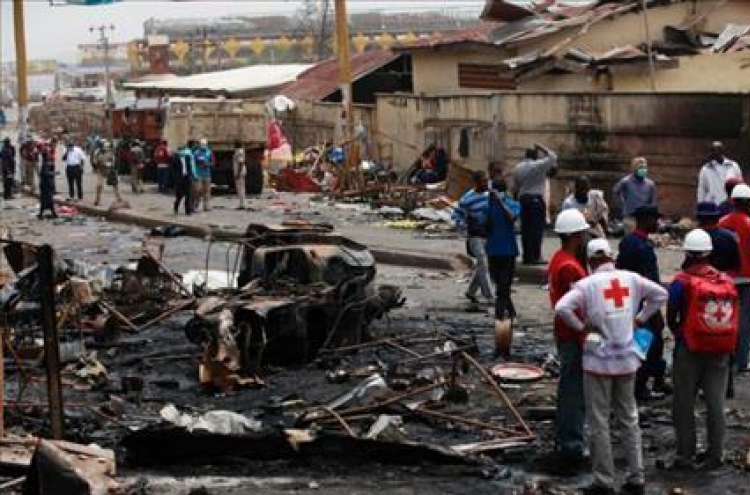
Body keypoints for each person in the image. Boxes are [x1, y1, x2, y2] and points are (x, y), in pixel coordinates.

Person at [555, 238, 667, 495]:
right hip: (627, 361)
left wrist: (580, 327)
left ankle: (604, 480)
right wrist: (640, 318)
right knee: (629, 418)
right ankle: (636, 477)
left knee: (599, 421)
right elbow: (661, 294)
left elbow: (562, 308)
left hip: (598, 362)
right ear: (610, 256)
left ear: (592, 260)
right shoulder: (632, 279)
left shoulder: (586, 284)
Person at [667, 229, 738, 471]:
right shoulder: (726, 281)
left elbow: (671, 315)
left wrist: (680, 334)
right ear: (709, 252)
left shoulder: (681, 282)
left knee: (684, 403)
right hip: (721, 349)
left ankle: (685, 455)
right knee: (715, 403)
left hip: (689, 349)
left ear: (687, 252)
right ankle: (715, 454)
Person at [544, 208, 590, 474]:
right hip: (572, 334)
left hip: (564, 331)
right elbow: (577, 306)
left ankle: (566, 438)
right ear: (576, 236)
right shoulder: (571, 267)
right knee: (573, 390)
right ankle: (571, 443)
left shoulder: (558, 259)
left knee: (569, 387)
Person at [616, 206, 669, 400]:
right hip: (644, 302)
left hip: (629, 300)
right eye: (655, 219)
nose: (657, 223)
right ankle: (642, 386)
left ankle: (643, 382)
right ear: (646, 220)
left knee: (638, 342)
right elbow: (650, 281)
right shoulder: (643, 246)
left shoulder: (627, 242)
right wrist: (654, 311)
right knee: (648, 342)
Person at [485, 177, 521, 358]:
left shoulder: (512, 204)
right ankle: (511, 313)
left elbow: (512, 217)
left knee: (501, 294)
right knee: (501, 289)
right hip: (493, 252)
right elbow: (483, 224)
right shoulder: (488, 205)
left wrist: (499, 202)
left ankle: (500, 334)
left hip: (508, 252)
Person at [718, 183, 750, 374]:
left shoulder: (722, 222)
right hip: (747, 278)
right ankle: (741, 361)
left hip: (726, 279)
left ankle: (724, 356)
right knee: (744, 321)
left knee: (724, 317)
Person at [513, 143, 557, 265]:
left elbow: (516, 186)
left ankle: (527, 256)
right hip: (536, 200)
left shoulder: (517, 168)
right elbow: (553, 156)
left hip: (523, 199)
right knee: (536, 229)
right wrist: (542, 147)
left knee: (526, 229)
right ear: (536, 156)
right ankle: (536, 256)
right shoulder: (539, 165)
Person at [453, 170, 492, 305]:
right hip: (475, 235)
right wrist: (465, 223)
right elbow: (457, 215)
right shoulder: (467, 198)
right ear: (476, 183)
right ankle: (489, 296)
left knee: (482, 264)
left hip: (489, 233)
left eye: (486, 180)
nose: (486, 183)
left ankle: (471, 291)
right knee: (482, 260)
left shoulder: (491, 194)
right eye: (483, 181)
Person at [613, 157, 657, 235]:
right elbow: (616, 192)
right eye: (640, 167)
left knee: (642, 242)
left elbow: (652, 202)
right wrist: (622, 205)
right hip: (630, 217)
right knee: (631, 241)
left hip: (644, 218)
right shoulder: (626, 181)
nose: (643, 169)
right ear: (634, 169)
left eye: (644, 167)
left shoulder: (650, 184)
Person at [93, 139, 123, 207]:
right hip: (100, 170)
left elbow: (114, 161)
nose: (106, 147)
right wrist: (101, 164)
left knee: (115, 184)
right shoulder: (97, 152)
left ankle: (119, 198)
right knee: (99, 185)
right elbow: (95, 162)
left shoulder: (110, 152)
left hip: (110, 169)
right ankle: (97, 200)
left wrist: (111, 165)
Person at [172, 143, 195, 216]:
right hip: (179, 179)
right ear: (178, 151)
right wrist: (176, 179)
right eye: (181, 150)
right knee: (179, 196)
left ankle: (187, 211)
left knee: (188, 195)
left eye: (183, 150)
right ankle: (176, 207)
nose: (182, 152)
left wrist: (191, 175)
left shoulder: (187, 157)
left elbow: (190, 167)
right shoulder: (175, 158)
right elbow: (173, 170)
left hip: (187, 178)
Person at [37, 143, 58, 220]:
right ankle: (46, 213)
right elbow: (45, 173)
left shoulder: (46, 163)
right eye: (48, 154)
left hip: (46, 185)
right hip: (45, 185)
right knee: (47, 200)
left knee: (48, 200)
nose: (50, 155)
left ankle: (47, 213)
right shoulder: (45, 164)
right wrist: (54, 173)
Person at [192, 138, 213, 212]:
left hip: (207, 174)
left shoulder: (209, 152)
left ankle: (206, 206)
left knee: (207, 191)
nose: (203, 146)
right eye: (202, 144)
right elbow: (193, 163)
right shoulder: (196, 153)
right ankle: (196, 206)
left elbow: (212, 162)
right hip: (198, 174)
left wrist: (208, 164)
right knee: (198, 191)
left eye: (204, 144)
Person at [232, 141, 247, 209]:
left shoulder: (239, 151)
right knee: (240, 188)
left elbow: (241, 163)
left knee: (240, 188)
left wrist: (238, 173)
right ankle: (241, 204)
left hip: (240, 172)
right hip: (240, 172)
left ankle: (242, 204)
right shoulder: (239, 151)